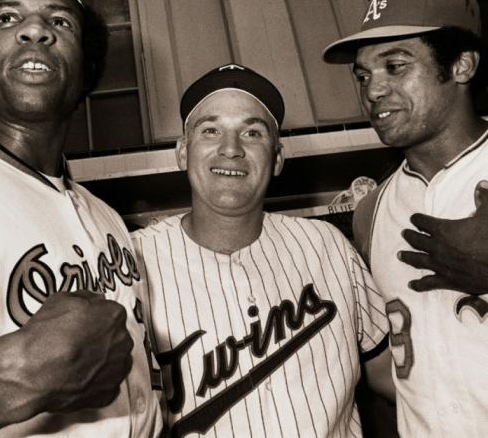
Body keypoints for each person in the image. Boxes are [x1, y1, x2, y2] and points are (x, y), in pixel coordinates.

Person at [0, 0, 162, 437]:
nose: (35, 30)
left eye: (60, 21)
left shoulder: (106, 217)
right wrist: (15, 378)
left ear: (86, 70)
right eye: (6, 18)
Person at [132, 63, 393, 438]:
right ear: (182, 151)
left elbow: (391, 377)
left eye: (252, 132)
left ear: (277, 157)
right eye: (210, 130)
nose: (231, 149)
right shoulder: (133, 260)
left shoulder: (327, 246)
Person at [323, 0, 488, 436]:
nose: (373, 90)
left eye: (395, 66)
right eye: (363, 75)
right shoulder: (370, 212)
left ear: (461, 65)